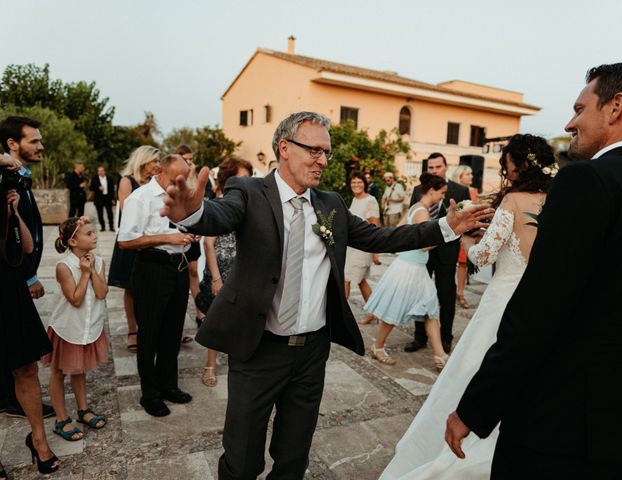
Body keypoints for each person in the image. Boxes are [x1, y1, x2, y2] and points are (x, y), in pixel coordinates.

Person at [161, 111, 492, 479]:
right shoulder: (250, 192)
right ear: (284, 148)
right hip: (258, 350)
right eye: (314, 150)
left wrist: (446, 226)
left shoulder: (330, 204)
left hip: (311, 352)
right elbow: (221, 215)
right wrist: (193, 214)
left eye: (327, 152)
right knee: (241, 460)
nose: (322, 160)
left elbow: (382, 237)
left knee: (293, 456)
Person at [445, 61, 622, 478]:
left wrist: (474, 408)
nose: (570, 123)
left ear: (616, 107)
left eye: (579, 108)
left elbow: (539, 313)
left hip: (571, 422)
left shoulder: (589, 180)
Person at [381, 134, 554, 479]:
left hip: (502, 303)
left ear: (515, 166)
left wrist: (470, 238)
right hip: (539, 303)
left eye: (506, 167)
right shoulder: (556, 199)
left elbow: (482, 257)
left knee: (474, 371)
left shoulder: (514, 201)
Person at [0, 118, 60, 475]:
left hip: (9, 282)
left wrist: (13, 208)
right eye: (34, 141)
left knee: (26, 366)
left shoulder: (14, 184)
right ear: (10, 144)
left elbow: (25, 244)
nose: (40, 147)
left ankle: (38, 440)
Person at [118, 153, 198, 417]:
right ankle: (149, 394)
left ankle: (169, 385)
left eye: (185, 177)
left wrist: (192, 233)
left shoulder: (181, 197)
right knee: (150, 333)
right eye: (178, 177)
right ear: (159, 170)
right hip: (152, 268)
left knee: (172, 331)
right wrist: (166, 236)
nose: (182, 182)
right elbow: (125, 241)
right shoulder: (139, 198)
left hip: (178, 267)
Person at [365, 173, 449, 369]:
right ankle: (378, 346)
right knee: (395, 309)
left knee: (430, 309)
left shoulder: (414, 208)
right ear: (431, 191)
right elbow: (422, 245)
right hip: (411, 268)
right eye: (442, 193)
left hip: (411, 266)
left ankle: (440, 355)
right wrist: (447, 236)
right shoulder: (423, 212)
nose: (443, 197)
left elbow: (400, 230)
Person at [42, 216, 109, 441]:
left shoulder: (99, 261)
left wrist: (94, 270)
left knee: (79, 370)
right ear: (72, 242)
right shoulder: (64, 266)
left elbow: (101, 293)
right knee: (59, 372)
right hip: (67, 328)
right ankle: (61, 418)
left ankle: (83, 409)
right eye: (88, 233)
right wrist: (85, 273)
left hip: (89, 327)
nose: (94, 236)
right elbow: (76, 299)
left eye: (94, 232)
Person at [195, 156, 253, 387]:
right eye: (242, 178)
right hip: (220, 270)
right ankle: (210, 365)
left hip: (242, 271)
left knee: (240, 321)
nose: (248, 183)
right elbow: (209, 244)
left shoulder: (251, 205)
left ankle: (239, 361)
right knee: (217, 320)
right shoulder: (218, 204)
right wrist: (216, 279)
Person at [405, 153, 470, 354]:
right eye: (431, 167)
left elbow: (464, 220)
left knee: (446, 294)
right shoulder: (418, 190)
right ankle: (419, 337)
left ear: (446, 166)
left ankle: (445, 337)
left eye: (437, 167)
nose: (434, 171)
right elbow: (412, 218)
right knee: (419, 294)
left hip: (447, 252)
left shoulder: (460, 190)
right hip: (422, 254)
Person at [107, 146, 161, 352]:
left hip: (153, 240)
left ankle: (156, 327)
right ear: (143, 161)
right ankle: (132, 330)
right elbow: (127, 210)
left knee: (153, 287)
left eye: (159, 161)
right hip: (133, 240)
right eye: (154, 161)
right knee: (131, 287)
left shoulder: (157, 182)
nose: (158, 165)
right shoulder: (127, 181)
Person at [175, 144, 205, 337]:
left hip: (193, 228)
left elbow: (200, 199)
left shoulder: (194, 177)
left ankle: (200, 312)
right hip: (175, 231)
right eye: (186, 159)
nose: (190, 162)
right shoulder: (173, 179)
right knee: (178, 276)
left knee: (194, 271)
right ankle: (176, 322)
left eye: (191, 159)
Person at [343, 170, 381, 304]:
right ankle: (373, 313)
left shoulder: (370, 200)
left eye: (359, 182)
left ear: (364, 184)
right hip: (352, 248)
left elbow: (375, 227)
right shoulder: (355, 199)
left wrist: (375, 252)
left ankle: (339, 317)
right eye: (353, 182)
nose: (356, 185)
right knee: (361, 281)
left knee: (346, 278)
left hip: (363, 248)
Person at [451, 165, 479, 309]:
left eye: (471, 173)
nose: (471, 176)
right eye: (467, 174)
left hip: (467, 233)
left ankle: (460, 293)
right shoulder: (453, 191)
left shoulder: (474, 192)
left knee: (463, 263)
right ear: (460, 176)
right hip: (453, 231)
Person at [89, 165, 115, 231]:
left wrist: (112, 199)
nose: (100, 172)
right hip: (99, 198)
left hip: (108, 198)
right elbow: (91, 187)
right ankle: (102, 227)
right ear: (97, 172)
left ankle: (111, 227)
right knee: (100, 214)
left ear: (104, 171)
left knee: (110, 213)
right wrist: (98, 188)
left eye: (101, 171)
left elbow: (112, 189)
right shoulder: (94, 178)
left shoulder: (109, 178)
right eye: (99, 171)